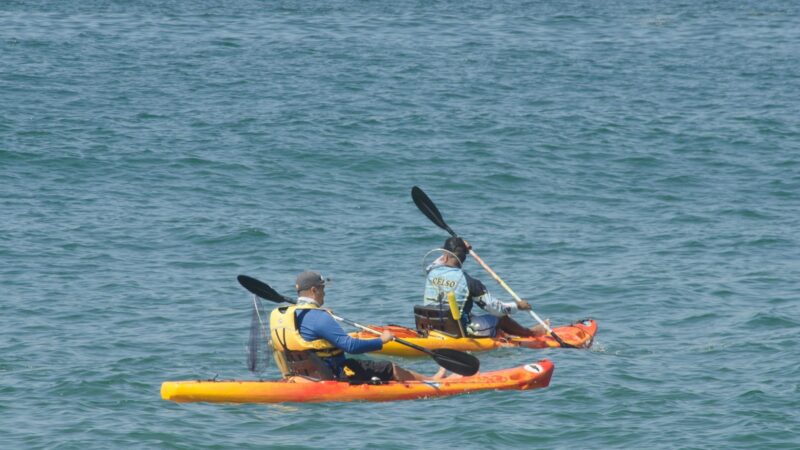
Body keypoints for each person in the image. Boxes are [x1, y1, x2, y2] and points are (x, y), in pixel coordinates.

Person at [270, 271, 446, 382]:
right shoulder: (319, 317)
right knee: (388, 367)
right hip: (333, 374)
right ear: (314, 291)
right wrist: (381, 340)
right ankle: (431, 380)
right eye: (323, 289)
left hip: (303, 374)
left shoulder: (289, 316)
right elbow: (350, 346)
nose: (324, 293)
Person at [424, 237, 548, 338]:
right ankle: (530, 333)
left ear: (444, 256)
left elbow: (440, 260)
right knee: (501, 318)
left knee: (469, 314)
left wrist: (459, 245)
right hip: (459, 332)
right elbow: (496, 309)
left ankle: (499, 333)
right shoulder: (469, 282)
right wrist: (518, 306)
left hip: (430, 326)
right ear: (464, 258)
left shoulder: (431, 271)